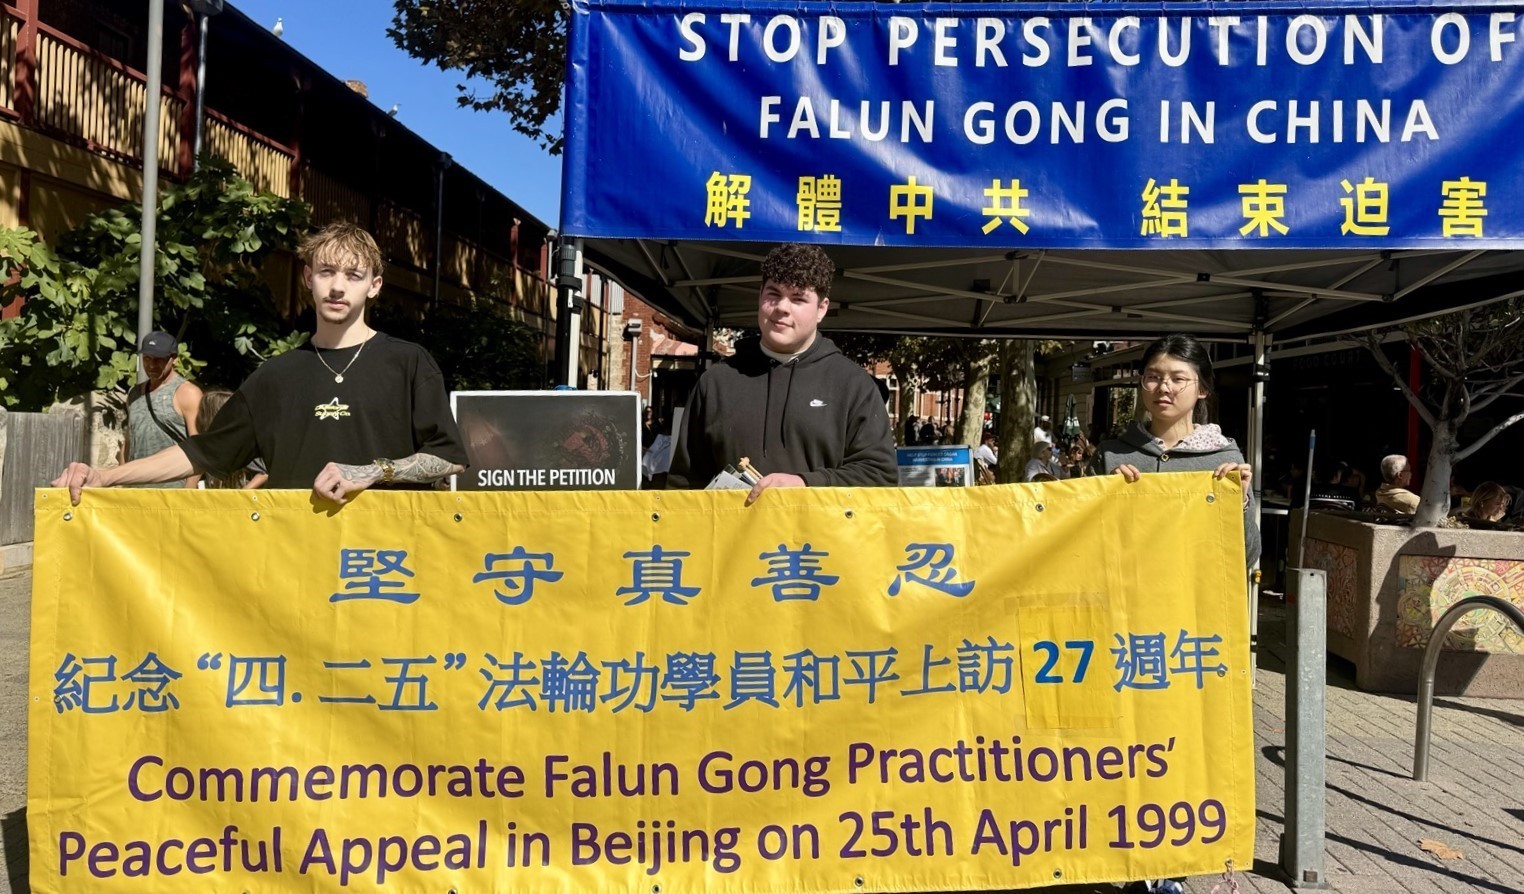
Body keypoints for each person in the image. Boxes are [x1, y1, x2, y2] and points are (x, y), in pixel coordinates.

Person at [54, 223, 468, 504]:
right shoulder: (274, 377)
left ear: (374, 286)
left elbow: (450, 457)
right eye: (326, 272)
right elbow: (204, 453)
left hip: (385, 567)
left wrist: (375, 472)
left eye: (353, 275)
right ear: (307, 278)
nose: (338, 287)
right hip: (295, 560)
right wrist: (106, 476)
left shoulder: (408, 362)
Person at [667, 243, 897, 503]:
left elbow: (881, 476)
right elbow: (683, 484)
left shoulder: (854, 385)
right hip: (730, 530)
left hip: (820, 530)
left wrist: (805, 483)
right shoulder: (715, 382)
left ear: (822, 309)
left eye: (798, 298)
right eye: (773, 294)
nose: (782, 307)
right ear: (760, 296)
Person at [1100, 334, 1260, 568]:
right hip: (1126, 588)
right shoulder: (1110, 455)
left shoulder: (1225, 459)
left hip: (1197, 590)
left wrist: (1240, 503)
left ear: (1202, 389)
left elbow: (1247, 557)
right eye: (1153, 377)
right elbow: (1083, 543)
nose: (1163, 388)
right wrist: (1104, 498)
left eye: (1178, 379)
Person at [121, 330, 204, 488]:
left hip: (173, 491)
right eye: (147, 358)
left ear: (174, 359)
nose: (152, 365)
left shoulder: (187, 393)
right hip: (135, 491)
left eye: (159, 359)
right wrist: (122, 484)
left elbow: (200, 448)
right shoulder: (134, 394)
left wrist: (187, 493)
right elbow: (129, 441)